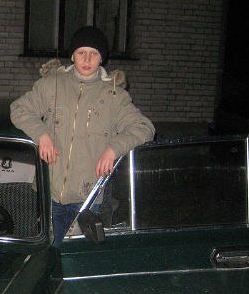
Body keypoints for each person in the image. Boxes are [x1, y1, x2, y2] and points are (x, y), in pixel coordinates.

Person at [10, 26, 155, 246]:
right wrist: (42, 135)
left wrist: (113, 149)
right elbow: (19, 109)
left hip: (88, 198)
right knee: (48, 254)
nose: (87, 59)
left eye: (94, 53)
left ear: (102, 58)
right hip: (49, 194)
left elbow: (145, 128)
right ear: (72, 56)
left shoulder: (114, 95)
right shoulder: (51, 85)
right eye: (81, 52)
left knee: (76, 257)